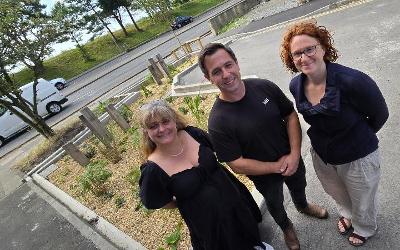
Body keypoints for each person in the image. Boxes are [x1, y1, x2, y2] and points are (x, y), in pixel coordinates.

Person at [199, 43, 328, 250]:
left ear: (237, 64)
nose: (226, 74)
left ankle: (302, 205)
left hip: (292, 158)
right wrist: (276, 167)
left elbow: (290, 115)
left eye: (228, 65)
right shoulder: (218, 121)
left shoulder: (263, 87)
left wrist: (294, 154)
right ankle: (287, 228)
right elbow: (236, 164)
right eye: (216, 71)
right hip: (264, 176)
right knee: (275, 204)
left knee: (299, 185)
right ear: (209, 78)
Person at [280, 20, 389, 247]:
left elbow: (380, 114)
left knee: (363, 198)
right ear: (291, 59)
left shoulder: (353, 81)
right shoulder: (296, 85)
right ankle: (348, 215)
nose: (304, 57)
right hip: (324, 156)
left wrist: (358, 140)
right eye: (297, 53)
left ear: (322, 48)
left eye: (309, 49)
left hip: (357, 156)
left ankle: (364, 228)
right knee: (336, 192)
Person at [138, 99, 271, 250]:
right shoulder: (152, 170)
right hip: (207, 223)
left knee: (249, 238)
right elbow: (157, 201)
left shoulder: (193, 134)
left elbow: (221, 151)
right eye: (153, 126)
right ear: (146, 132)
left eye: (165, 121)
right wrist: (186, 199)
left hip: (235, 201)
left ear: (174, 120)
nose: (162, 129)